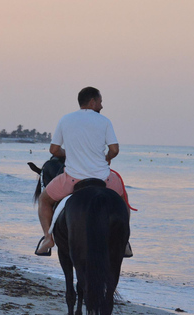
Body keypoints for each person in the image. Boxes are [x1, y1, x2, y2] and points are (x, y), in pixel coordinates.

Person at [36, 87, 131, 256]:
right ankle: (123, 241)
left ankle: (48, 238)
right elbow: (115, 150)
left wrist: (68, 153)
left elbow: (54, 149)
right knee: (123, 198)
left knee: (44, 200)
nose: (102, 106)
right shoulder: (105, 121)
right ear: (92, 102)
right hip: (103, 178)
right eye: (100, 102)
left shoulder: (65, 120)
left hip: (73, 178)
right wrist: (107, 158)